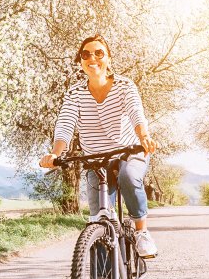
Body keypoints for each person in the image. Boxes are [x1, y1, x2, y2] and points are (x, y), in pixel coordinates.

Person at [39, 34, 158, 258]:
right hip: (95, 159)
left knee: (128, 177)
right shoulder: (75, 93)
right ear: (81, 62)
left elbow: (135, 112)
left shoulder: (124, 86)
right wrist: (55, 154)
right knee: (99, 217)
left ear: (109, 59)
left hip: (129, 151)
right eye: (86, 54)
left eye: (99, 53)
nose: (92, 58)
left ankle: (142, 232)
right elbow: (65, 122)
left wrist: (144, 137)